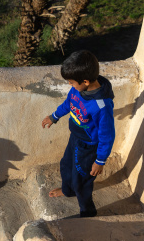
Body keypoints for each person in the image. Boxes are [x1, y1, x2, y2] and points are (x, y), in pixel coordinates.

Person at [41, 50, 115, 217]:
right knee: (66, 165)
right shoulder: (77, 90)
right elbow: (69, 104)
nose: (70, 85)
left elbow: (107, 136)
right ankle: (68, 191)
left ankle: (87, 211)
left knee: (81, 179)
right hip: (75, 137)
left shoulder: (102, 106)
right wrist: (55, 116)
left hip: (88, 147)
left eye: (71, 82)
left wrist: (100, 161)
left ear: (86, 81)